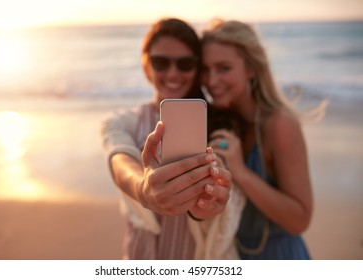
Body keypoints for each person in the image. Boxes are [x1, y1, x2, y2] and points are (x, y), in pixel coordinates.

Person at [101, 18, 242, 260]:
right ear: (146, 65)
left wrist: (206, 206)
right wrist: (142, 188)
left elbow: (224, 202)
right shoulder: (122, 122)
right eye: (160, 62)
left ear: (197, 69)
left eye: (185, 64)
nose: (173, 73)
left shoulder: (222, 124)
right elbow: (120, 162)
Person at [201, 19, 315, 259]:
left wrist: (240, 172)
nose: (211, 81)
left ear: (251, 68)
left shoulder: (280, 125)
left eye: (224, 68)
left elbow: (300, 220)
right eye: (205, 69)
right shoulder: (220, 122)